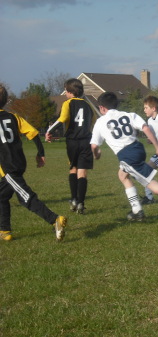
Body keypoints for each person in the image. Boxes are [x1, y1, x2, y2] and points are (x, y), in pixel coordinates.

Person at [90, 91, 158, 220]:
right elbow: (146, 129)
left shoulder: (100, 122)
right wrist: (157, 148)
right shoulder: (129, 115)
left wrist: (96, 155)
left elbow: (94, 146)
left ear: (101, 107)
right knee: (122, 175)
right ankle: (137, 210)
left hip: (127, 156)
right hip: (138, 149)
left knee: (154, 187)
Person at [0, 84, 67, 241]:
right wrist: (40, 153)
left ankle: (54, 220)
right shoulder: (14, 117)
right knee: (1, 197)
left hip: (7, 166)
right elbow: (33, 133)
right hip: (18, 162)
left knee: (25, 198)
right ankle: (5, 231)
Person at [45, 78, 94, 215]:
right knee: (82, 172)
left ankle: (73, 199)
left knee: (73, 168)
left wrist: (49, 132)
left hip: (72, 141)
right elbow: (94, 122)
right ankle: (81, 203)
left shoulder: (68, 103)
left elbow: (62, 119)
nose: (65, 94)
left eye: (66, 91)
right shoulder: (88, 105)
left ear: (70, 92)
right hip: (86, 141)